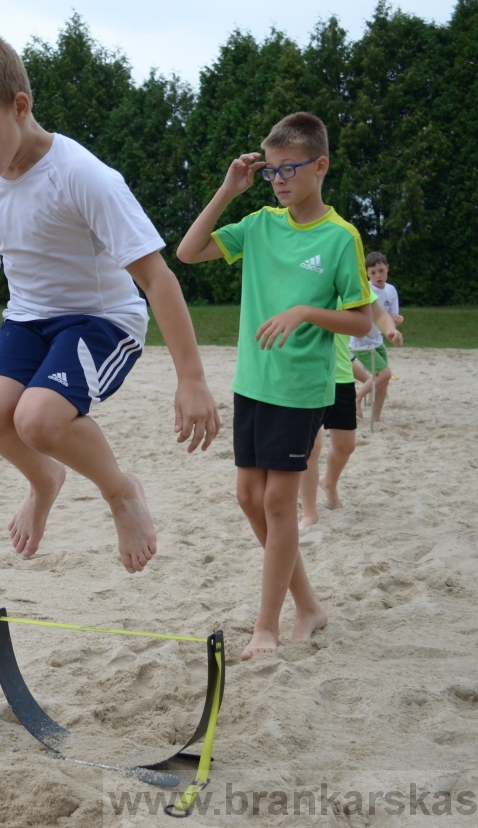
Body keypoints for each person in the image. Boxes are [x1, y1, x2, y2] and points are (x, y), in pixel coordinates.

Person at [0, 32, 220, 574]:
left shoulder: (82, 176)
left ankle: (120, 491)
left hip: (102, 320)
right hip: (30, 319)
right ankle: (45, 482)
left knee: (39, 421)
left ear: (20, 107)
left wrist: (192, 380)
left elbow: (158, 280)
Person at [176, 112, 373, 660]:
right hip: (252, 382)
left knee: (280, 502)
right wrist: (227, 189)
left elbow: (363, 323)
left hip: (301, 387)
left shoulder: (340, 238)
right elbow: (188, 252)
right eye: (273, 171)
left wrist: (307, 311)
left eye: (291, 168)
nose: (281, 179)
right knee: (248, 497)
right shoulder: (260, 224)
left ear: (321, 166)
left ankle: (267, 626)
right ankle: (308, 603)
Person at [299, 302, 402, 530]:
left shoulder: (351, 284)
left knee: (346, 446)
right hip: (309, 376)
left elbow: (377, 312)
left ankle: (329, 483)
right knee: (311, 446)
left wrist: (389, 330)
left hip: (341, 377)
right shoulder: (310, 277)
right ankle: (309, 512)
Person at [351, 251, 403, 422]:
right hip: (361, 341)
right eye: (373, 272)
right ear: (367, 273)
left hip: (378, 339)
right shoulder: (364, 289)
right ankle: (356, 398)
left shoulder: (391, 290)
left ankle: (376, 418)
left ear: (387, 268)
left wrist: (397, 321)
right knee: (384, 374)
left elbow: (392, 316)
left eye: (381, 271)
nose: (378, 276)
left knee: (384, 380)